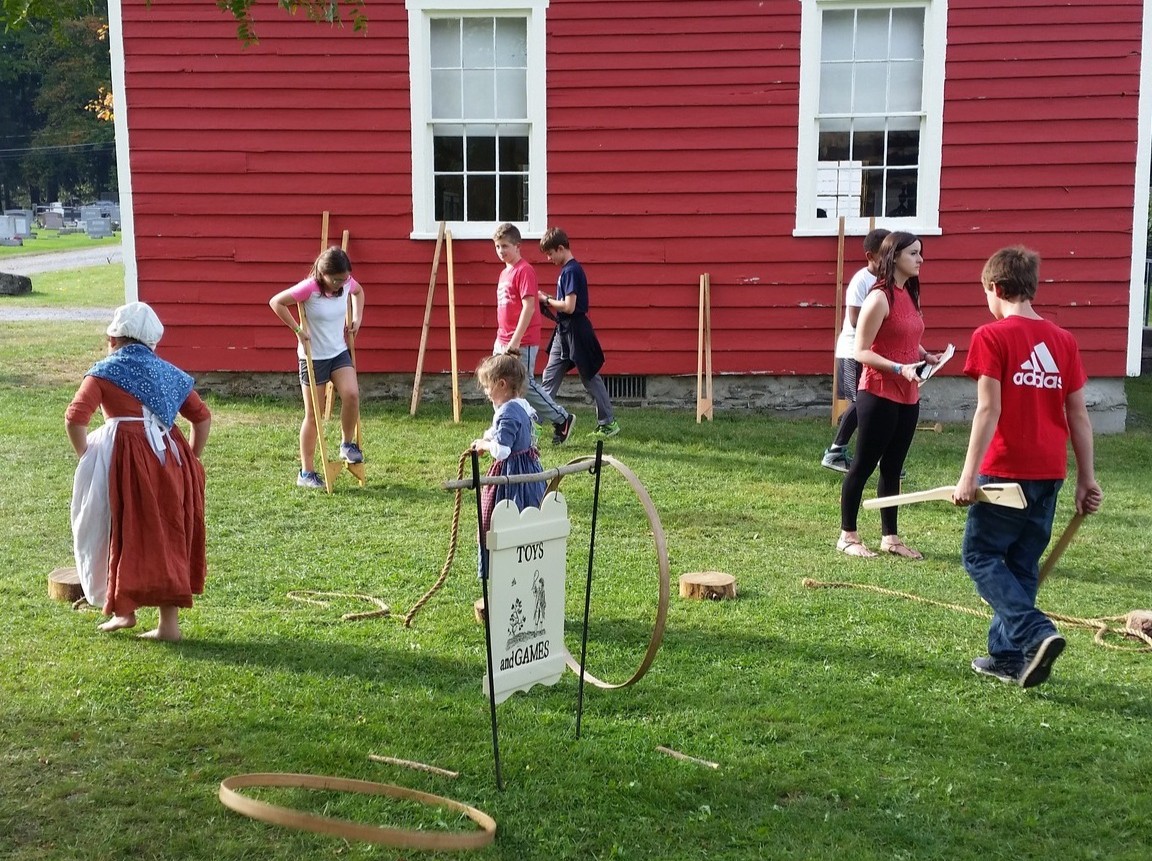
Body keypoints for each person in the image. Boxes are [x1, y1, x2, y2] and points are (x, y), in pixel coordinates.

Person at [952, 246, 1102, 688]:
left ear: (995, 289)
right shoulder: (1063, 340)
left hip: (1004, 471)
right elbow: (1079, 415)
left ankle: (1034, 631)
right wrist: (1086, 478)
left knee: (980, 556)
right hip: (1049, 473)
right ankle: (1010, 657)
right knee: (1020, 563)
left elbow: (987, 410)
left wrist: (967, 475)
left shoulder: (991, 335)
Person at [66, 302, 212, 641]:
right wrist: (190, 458)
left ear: (113, 338)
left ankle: (125, 610)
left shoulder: (103, 372)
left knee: (122, 528)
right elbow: (202, 418)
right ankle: (168, 625)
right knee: (168, 533)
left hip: (125, 460)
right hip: (170, 458)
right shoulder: (168, 372)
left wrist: (85, 454)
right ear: (151, 343)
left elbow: (75, 418)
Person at [837, 231, 941, 559]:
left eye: (920, 253)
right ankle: (848, 536)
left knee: (893, 468)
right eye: (914, 253)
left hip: (908, 394)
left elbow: (905, 332)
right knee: (864, 465)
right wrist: (899, 368)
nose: (921, 259)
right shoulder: (878, 296)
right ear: (894, 256)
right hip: (879, 393)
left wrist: (924, 355)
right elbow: (862, 351)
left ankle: (890, 538)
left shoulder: (907, 293)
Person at [270, 246, 365, 488]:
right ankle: (306, 473)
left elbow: (359, 292)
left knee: (352, 395)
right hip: (313, 357)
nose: (341, 284)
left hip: (338, 352)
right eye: (336, 280)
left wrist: (357, 319)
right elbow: (277, 302)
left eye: (344, 279)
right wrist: (298, 330)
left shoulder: (346, 283)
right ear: (323, 275)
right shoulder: (309, 288)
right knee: (314, 415)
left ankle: (346, 444)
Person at [491, 222, 576, 445]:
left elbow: (529, 306)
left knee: (523, 386)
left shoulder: (524, 270)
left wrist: (516, 341)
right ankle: (504, 426)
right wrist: (502, 338)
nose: (501, 251)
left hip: (522, 340)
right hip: (502, 339)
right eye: (497, 247)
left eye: (505, 246)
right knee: (497, 384)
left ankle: (562, 418)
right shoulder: (504, 273)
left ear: (517, 246)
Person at [537, 227, 620, 439]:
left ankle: (608, 423)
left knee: (589, 377)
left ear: (561, 248)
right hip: (562, 332)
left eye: (550, 253)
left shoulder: (572, 270)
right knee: (550, 375)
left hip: (576, 331)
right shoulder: (566, 271)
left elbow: (570, 306)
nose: (548, 258)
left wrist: (546, 300)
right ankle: (535, 422)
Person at [822, 228, 890, 472]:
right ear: (870, 256)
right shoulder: (862, 281)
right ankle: (835, 452)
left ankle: (881, 457)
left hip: (873, 350)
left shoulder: (888, 281)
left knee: (874, 404)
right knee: (861, 402)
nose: (890, 259)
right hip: (853, 351)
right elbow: (854, 319)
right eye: (885, 254)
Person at [471, 351, 547, 557]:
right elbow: (499, 430)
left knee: (501, 516)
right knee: (530, 510)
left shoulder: (507, 412)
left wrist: (485, 446)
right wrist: (486, 438)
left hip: (513, 471)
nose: (486, 392)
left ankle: (501, 560)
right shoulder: (520, 406)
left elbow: (503, 451)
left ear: (502, 384)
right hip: (529, 467)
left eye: (488, 386)